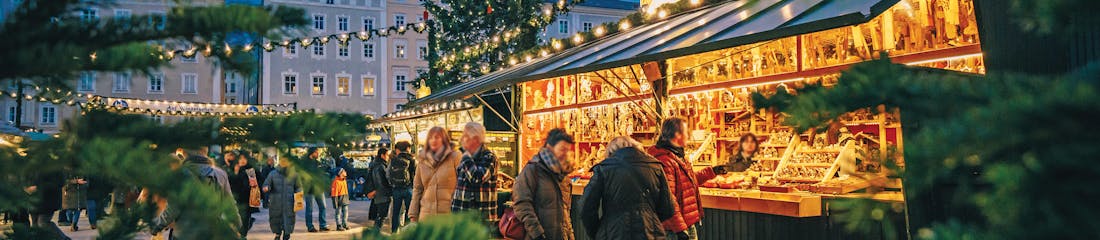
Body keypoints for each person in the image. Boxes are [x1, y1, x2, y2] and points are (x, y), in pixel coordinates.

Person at [647, 117, 734, 240]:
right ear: (677, 134)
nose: (689, 135)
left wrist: (712, 171)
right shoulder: (665, 160)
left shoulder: (677, 155)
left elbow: (688, 182)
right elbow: (668, 199)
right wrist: (680, 229)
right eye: (686, 131)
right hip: (674, 229)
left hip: (685, 223)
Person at [581, 136, 675, 240]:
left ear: (611, 152)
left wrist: (598, 231)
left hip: (614, 232)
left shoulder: (603, 169)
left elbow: (586, 207)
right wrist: (651, 220)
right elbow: (668, 208)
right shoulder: (655, 166)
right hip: (650, 233)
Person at [149, 147, 238, 240]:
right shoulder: (219, 174)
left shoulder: (180, 176)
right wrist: (238, 226)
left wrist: (156, 227)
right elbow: (230, 204)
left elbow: (172, 210)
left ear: (184, 153)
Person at [513, 128, 577, 240]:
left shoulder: (564, 177)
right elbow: (522, 204)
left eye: (568, 150)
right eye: (562, 149)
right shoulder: (533, 170)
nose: (565, 154)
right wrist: (537, 234)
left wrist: (570, 236)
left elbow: (566, 213)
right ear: (549, 147)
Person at [452, 122, 499, 228]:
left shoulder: (489, 158)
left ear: (476, 139)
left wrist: (465, 157)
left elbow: (477, 178)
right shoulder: (464, 158)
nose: (461, 139)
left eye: (465, 136)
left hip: (479, 219)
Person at [409, 126, 460, 222]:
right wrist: (413, 214)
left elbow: (462, 184)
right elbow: (417, 188)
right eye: (431, 138)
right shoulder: (422, 160)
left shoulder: (455, 156)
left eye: (437, 137)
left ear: (444, 139)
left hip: (449, 214)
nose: (433, 140)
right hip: (426, 214)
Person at [263, 159, 300, 240]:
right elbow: (266, 183)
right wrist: (266, 187)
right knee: (276, 218)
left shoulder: (294, 174)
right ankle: (277, 233)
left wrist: (299, 194)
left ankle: (287, 234)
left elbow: (298, 186)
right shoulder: (273, 173)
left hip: (289, 202)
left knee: (289, 217)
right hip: (275, 202)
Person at [29, 171, 72, 240]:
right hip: (33, 199)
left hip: (48, 199)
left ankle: (63, 238)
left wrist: (38, 187)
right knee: (35, 225)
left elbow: (60, 182)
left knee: (43, 223)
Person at [228, 150, 259, 237]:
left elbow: (254, 186)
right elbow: (230, 184)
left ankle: (243, 235)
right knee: (236, 219)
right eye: (240, 158)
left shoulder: (250, 170)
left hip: (246, 200)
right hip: (235, 199)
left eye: (244, 158)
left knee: (244, 219)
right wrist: (235, 173)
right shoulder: (232, 168)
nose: (242, 160)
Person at [388, 141, 416, 232]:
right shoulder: (412, 160)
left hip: (396, 189)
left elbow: (388, 174)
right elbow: (416, 175)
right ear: (407, 148)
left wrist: (393, 183)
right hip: (408, 188)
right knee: (409, 212)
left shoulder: (393, 160)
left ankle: (394, 232)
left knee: (396, 212)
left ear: (398, 149)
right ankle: (407, 232)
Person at [303, 147, 331, 232]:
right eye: (317, 152)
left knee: (323, 206)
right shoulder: (305, 163)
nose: (318, 154)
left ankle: (323, 225)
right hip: (309, 188)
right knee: (309, 208)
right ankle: (310, 226)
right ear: (312, 153)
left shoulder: (317, 162)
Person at [368, 148, 394, 230]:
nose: (388, 157)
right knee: (381, 216)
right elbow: (381, 182)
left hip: (379, 194)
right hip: (382, 194)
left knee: (380, 216)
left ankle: (375, 233)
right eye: (387, 155)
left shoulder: (377, 164)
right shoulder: (380, 166)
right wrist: (389, 191)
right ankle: (375, 234)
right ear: (382, 155)